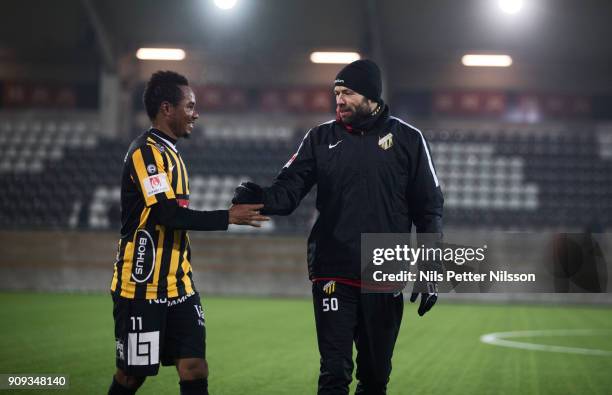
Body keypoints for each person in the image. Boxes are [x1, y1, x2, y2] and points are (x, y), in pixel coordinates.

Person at [233, 59, 443, 394]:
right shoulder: (319, 138)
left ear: (372, 96)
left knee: (375, 378)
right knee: (334, 373)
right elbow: (287, 193)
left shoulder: (409, 140)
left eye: (347, 93)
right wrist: (259, 196)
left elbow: (429, 208)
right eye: (336, 93)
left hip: (384, 272)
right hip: (333, 269)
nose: (339, 100)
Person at [108, 70, 268, 395]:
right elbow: (167, 214)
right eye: (190, 106)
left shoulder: (174, 154)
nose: (196, 113)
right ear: (167, 108)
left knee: (194, 367)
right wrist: (228, 217)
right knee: (132, 375)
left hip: (179, 285)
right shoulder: (146, 153)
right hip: (142, 286)